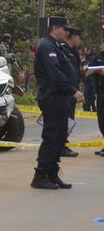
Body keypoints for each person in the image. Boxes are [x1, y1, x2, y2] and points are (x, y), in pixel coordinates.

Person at [30, 16, 83, 190]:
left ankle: (52, 173)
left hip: (60, 98)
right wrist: (73, 91)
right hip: (52, 97)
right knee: (52, 136)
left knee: (60, 136)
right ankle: (40, 175)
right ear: (54, 29)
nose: (66, 32)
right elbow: (55, 74)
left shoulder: (55, 46)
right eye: (64, 29)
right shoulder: (47, 47)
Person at [59, 27, 84, 157]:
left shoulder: (74, 52)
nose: (80, 41)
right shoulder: (62, 49)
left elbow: (74, 70)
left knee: (70, 118)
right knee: (64, 118)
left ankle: (64, 143)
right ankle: (61, 145)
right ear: (73, 37)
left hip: (73, 90)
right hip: (66, 90)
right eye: (79, 38)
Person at [89, 38, 104, 156]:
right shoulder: (98, 57)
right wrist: (98, 71)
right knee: (101, 119)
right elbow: (89, 68)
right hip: (100, 92)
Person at [83, 47, 97, 112]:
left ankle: (92, 108)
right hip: (89, 88)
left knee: (91, 99)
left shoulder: (88, 62)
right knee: (89, 99)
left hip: (88, 88)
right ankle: (89, 109)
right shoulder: (90, 69)